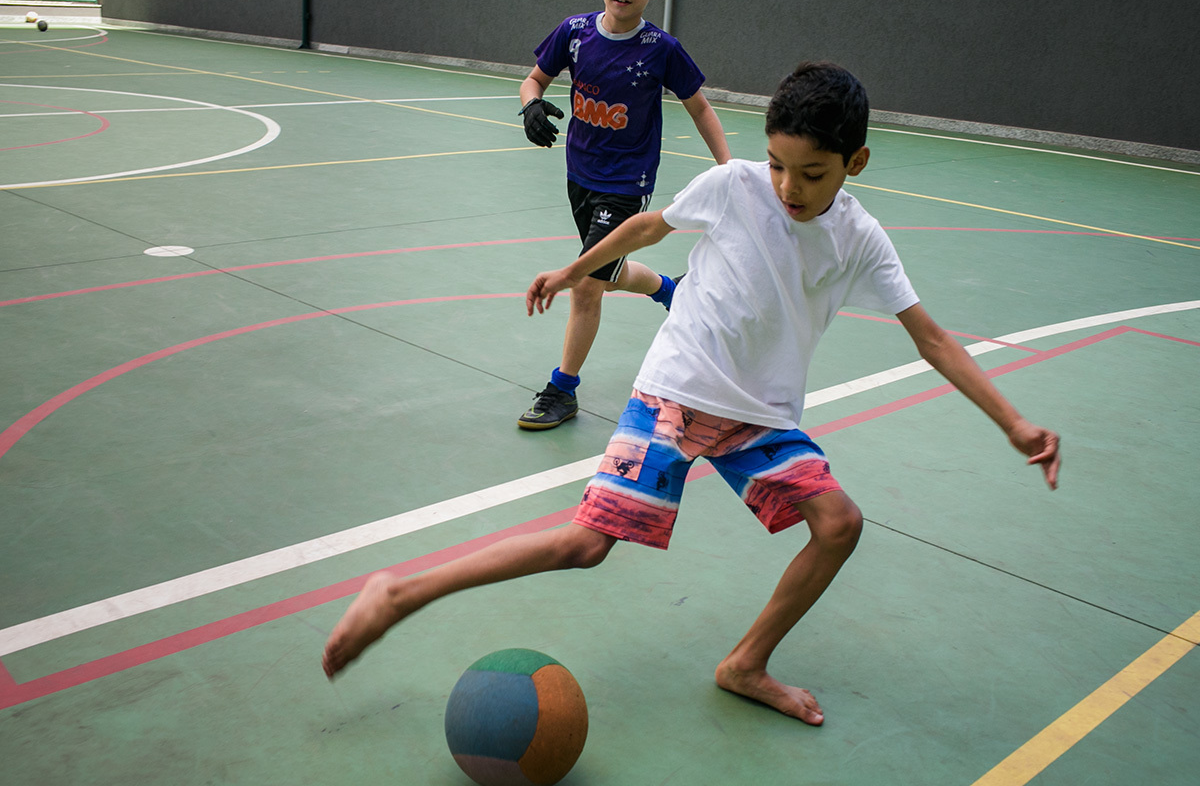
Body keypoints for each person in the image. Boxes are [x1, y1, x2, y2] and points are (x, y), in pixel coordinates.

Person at [322, 62, 1061, 726]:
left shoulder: (861, 239)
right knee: (586, 545)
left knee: (838, 524)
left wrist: (1014, 423)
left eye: (812, 173)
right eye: (778, 164)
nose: (787, 187)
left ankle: (745, 663)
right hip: (677, 392)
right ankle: (399, 594)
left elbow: (929, 337)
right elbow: (648, 226)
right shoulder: (734, 185)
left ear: (854, 164)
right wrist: (575, 270)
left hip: (759, 416)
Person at [515, 0, 731, 430]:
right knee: (607, 275)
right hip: (579, 175)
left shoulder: (662, 49)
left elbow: (700, 108)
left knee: (588, 284)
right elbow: (533, 78)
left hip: (626, 184)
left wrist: (729, 171)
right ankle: (670, 290)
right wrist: (531, 104)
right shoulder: (573, 33)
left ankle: (563, 389)